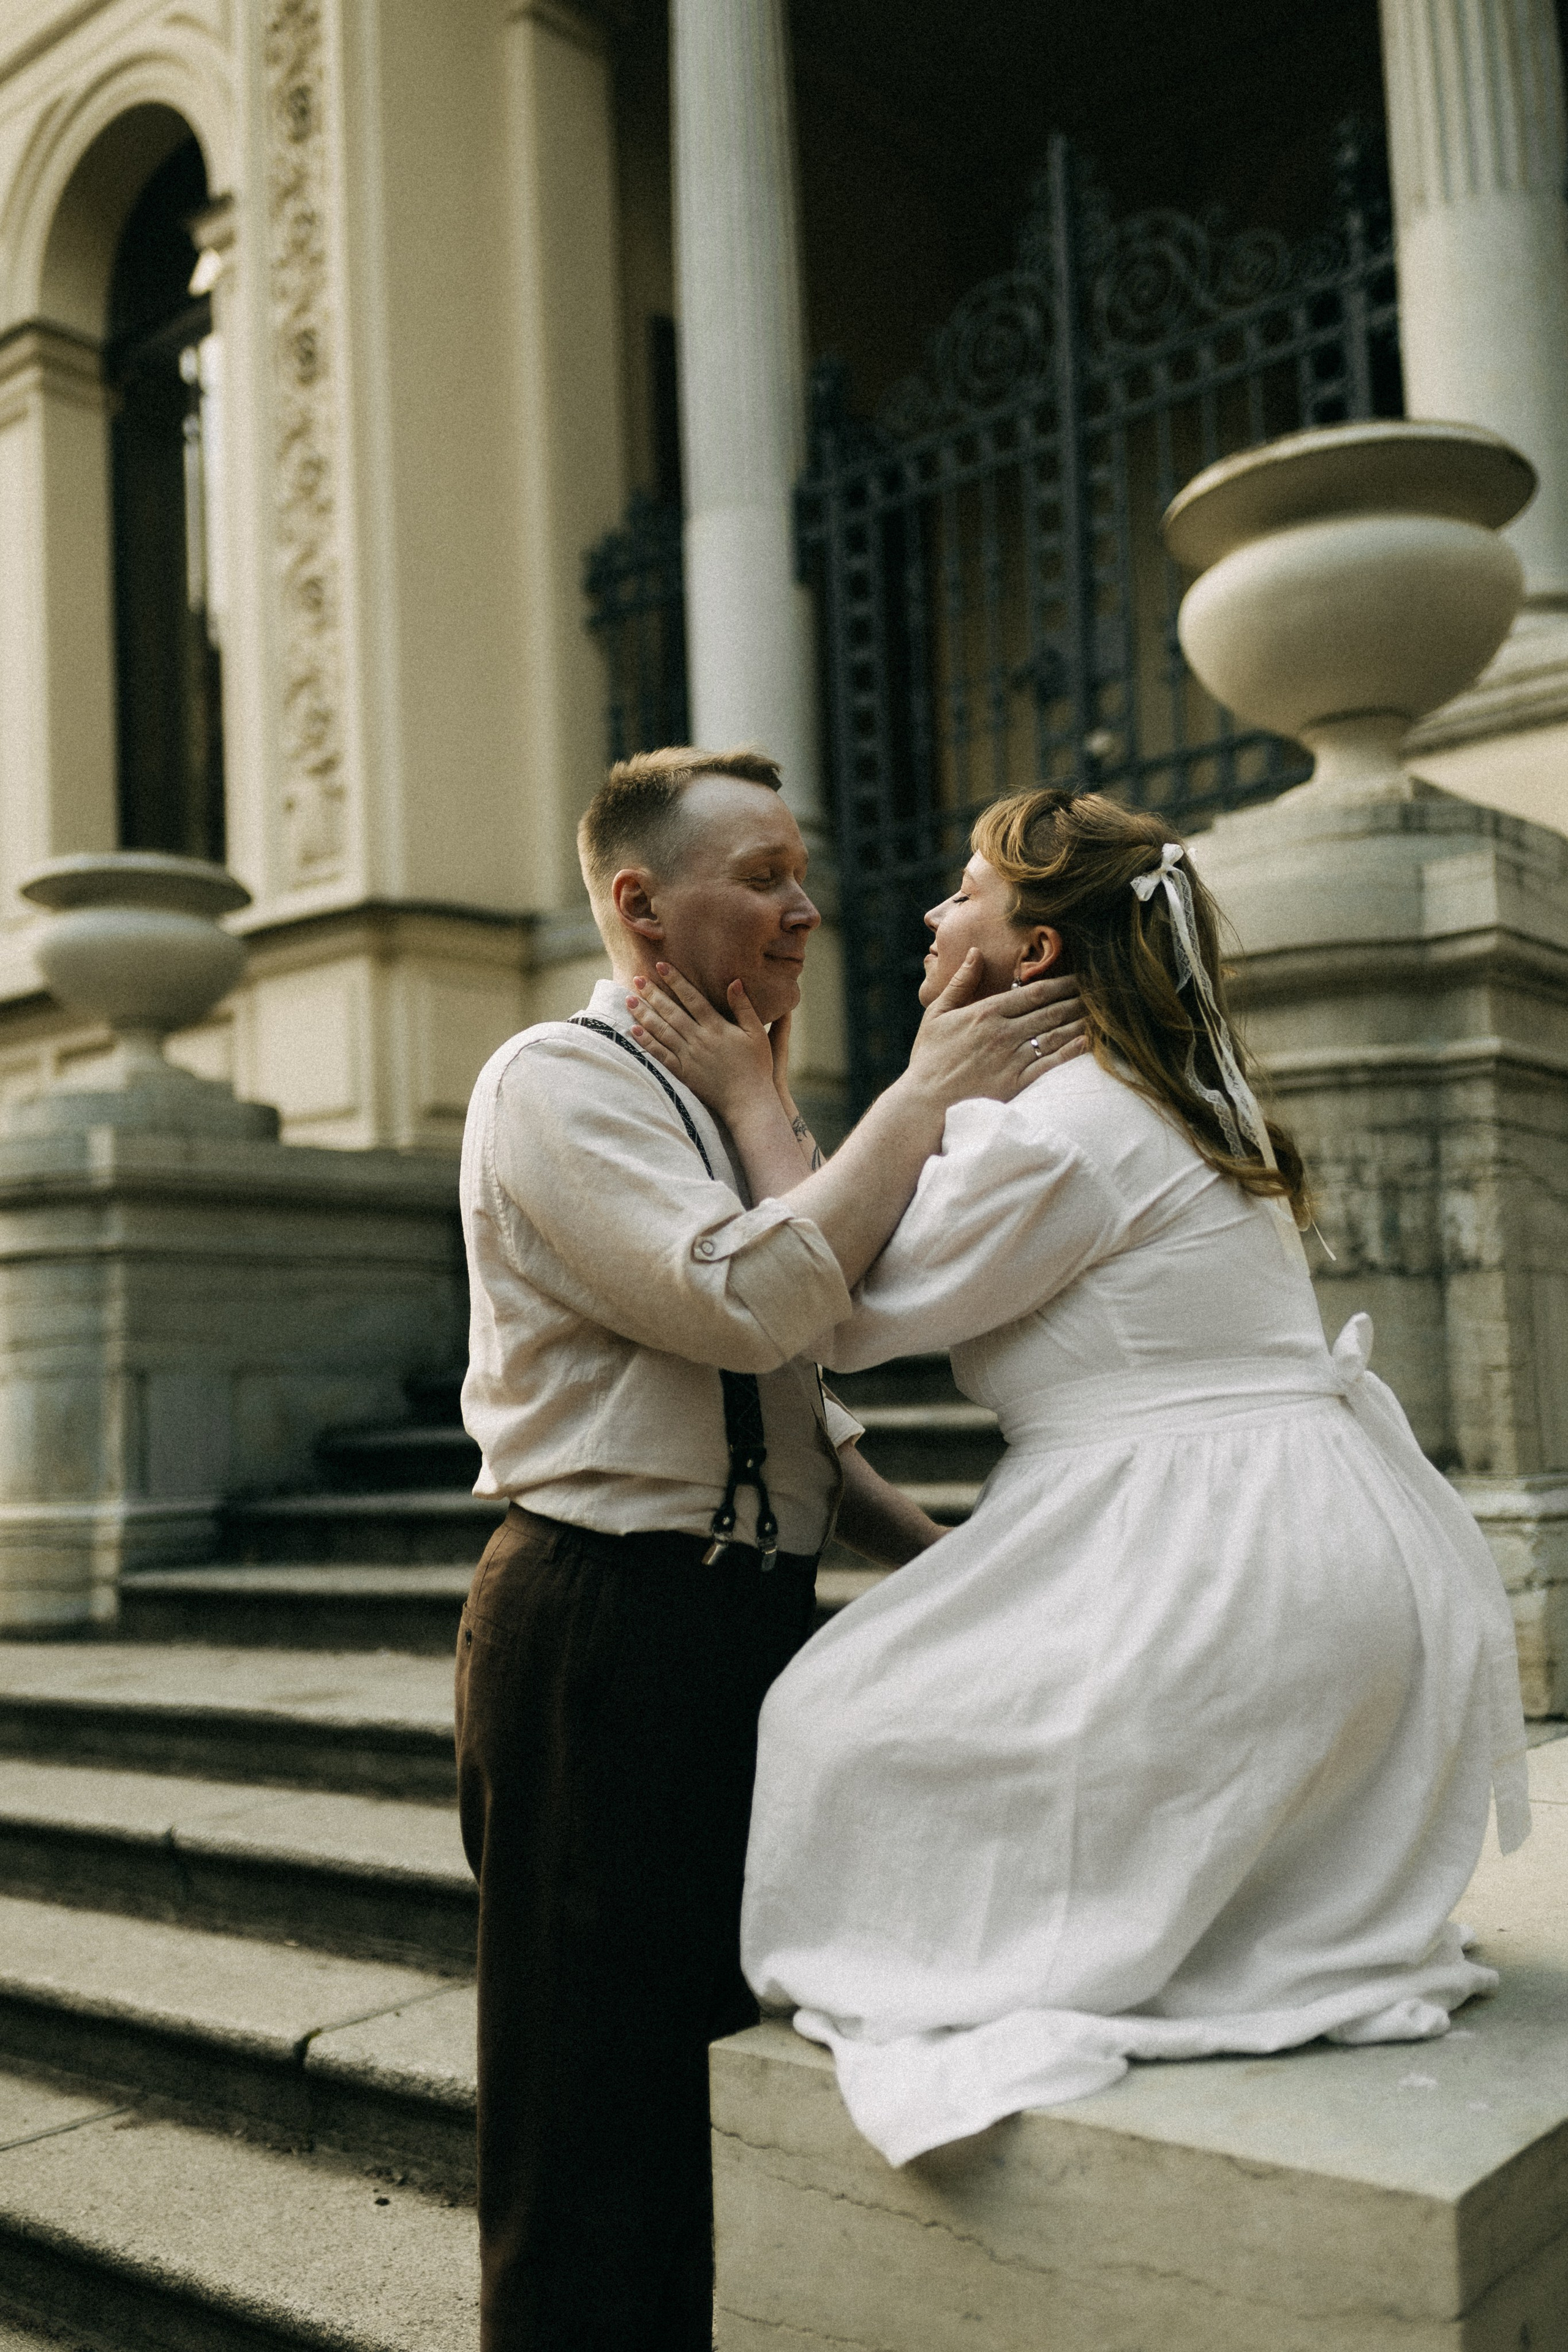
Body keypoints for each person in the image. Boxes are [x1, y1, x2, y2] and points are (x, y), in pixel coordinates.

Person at [628, 783, 1531, 2170]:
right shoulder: (1154, 1096)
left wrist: (755, 1095)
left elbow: (837, 1314)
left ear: (1034, 952)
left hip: (1218, 1548)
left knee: (831, 1718)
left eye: (964, 895)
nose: (931, 916)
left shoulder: (1061, 1124)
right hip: (1300, 1530)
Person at [453, 745, 1086, 2347]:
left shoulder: (728, 1089)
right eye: (762, 878)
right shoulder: (555, 1081)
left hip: (743, 1627)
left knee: (707, 2060)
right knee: (590, 2105)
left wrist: (950, 1562)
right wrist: (921, 1100)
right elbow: (750, 1306)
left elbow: (800, 1408)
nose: (807, 909)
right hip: (601, 1623)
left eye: (802, 875)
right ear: (637, 905)